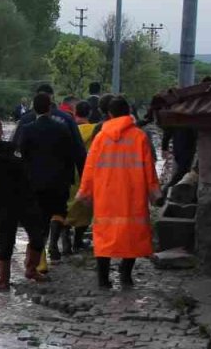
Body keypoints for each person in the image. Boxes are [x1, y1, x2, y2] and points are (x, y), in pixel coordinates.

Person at [75, 96, 161, 289]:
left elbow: (90, 168)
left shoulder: (101, 137)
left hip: (106, 195)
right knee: (133, 235)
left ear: (109, 114)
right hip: (132, 195)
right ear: (128, 112)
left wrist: (84, 193)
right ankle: (125, 274)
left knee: (104, 237)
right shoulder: (139, 137)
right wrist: (155, 192)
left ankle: (103, 280)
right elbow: (149, 168)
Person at [0, 119, 47, 290]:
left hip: (25, 200)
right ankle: (3, 282)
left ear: (1, 133)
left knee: (37, 237)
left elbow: (20, 166)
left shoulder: (11, 148)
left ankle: (31, 269)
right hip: (1, 204)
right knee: (5, 244)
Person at [16, 92, 83, 267]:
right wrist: (78, 176)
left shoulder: (27, 128)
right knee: (59, 212)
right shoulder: (62, 127)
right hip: (59, 180)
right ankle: (54, 241)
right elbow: (73, 153)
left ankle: (40, 260)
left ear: (33, 107)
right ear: (50, 107)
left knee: (39, 220)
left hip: (35, 181)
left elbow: (20, 155)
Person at [61, 100, 99, 253]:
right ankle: (78, 241)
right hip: (86, 172)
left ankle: (64, 238)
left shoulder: (68, 129)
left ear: (75, 113)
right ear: (89, 113)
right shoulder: (95, 130)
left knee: (66, 206)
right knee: (85, 209)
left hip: (68, 172)